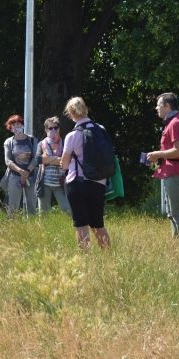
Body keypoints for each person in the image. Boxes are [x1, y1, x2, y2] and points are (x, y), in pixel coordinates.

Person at [60, 97, 111, 250]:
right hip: (99, 182)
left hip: (77, 182)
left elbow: (64, 163)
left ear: (70, 113)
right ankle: (109, 258)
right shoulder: (101, 129)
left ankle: (86, 261)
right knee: (98, 224)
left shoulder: (72, 136)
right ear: (85, 109)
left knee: (81, 224)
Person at [146, 92, 179, 238]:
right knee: (172, 212)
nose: (156, 108)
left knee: (177, 212)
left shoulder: (175, 123)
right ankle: (178, 247)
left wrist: (157, 154)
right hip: (173, 172)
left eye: (158, 105)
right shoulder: (174, 122)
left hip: (175, 173)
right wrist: (158, 157)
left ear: (167, 106)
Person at [2, 114, 39, 216]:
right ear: (10, 128)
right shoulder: (9, 142)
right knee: (13, 207)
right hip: (14, 176)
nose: (16, 127)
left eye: (18, 124)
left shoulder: (32, 140)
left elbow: (36, 158)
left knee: (32, 206)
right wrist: (20, 171)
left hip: (31, 176)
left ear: (22, 125)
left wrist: (27, 172)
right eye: (13, 125)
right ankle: (12, 228)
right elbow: (7, 160)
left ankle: (32, 228)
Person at [36, 116, 71, 215]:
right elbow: (38, 160)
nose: (53, 130)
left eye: (55, 127)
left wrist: (47, 159)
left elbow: (70, 160)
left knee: (68, 210)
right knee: (43, 213)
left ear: (59, 128)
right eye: (50, 128)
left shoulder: (65, 143)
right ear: (46, 129)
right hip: (44, 183)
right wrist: (58, 159)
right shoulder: (41, 144)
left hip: (61, 183)